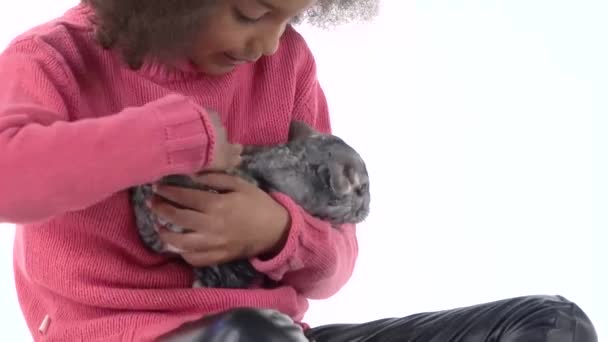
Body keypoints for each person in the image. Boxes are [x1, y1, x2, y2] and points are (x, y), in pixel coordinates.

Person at [0, 0, 598, 341]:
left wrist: (277, 232)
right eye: (251, 12)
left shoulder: (285, 67)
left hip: (278, 338)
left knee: (550, 326)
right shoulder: (52, 59)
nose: (267, 44)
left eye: (289, 18)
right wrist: (174, 134)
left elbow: (337, 260)